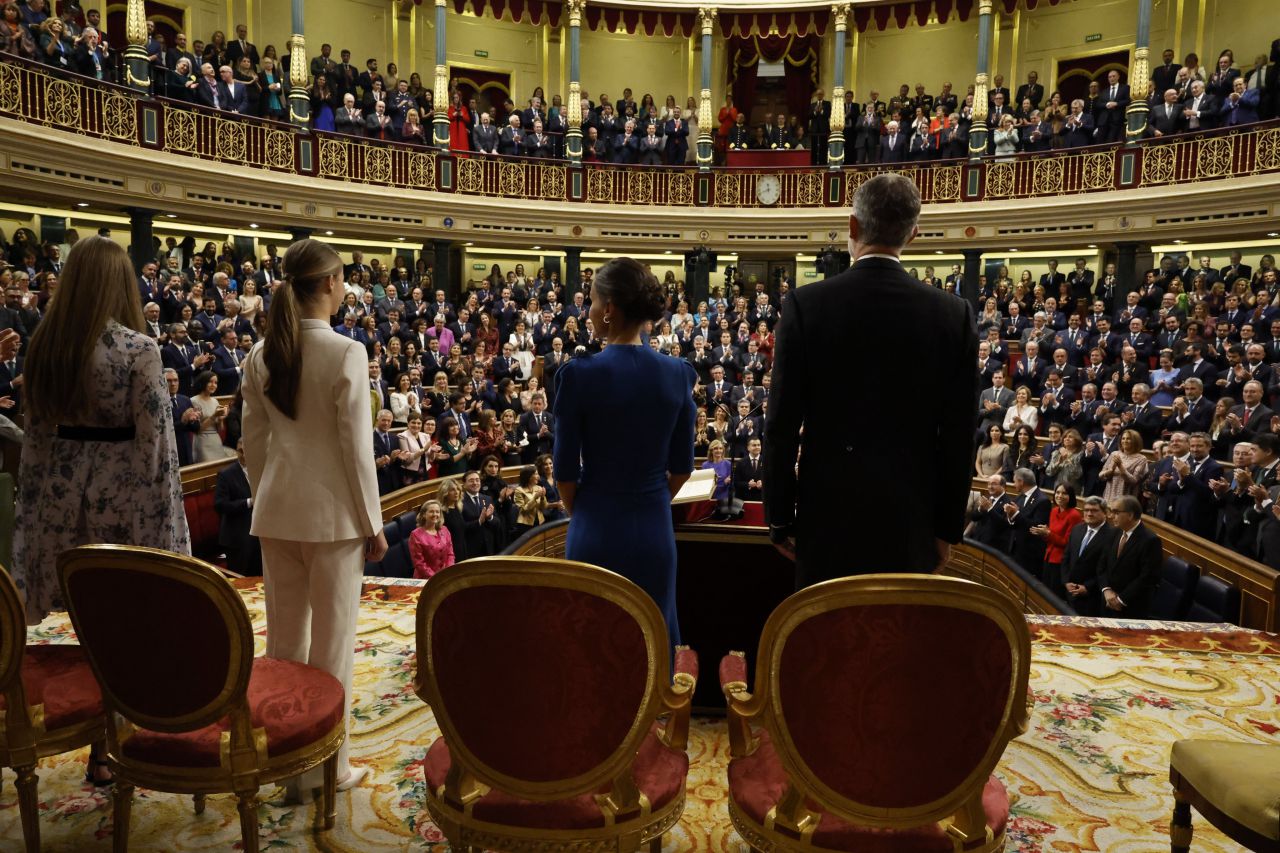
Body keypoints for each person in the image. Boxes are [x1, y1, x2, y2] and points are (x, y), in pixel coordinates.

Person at [765, 174, 976, 587]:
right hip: (910, 520)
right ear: (913, 235)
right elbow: (959, 436)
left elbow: (781, 427)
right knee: (900, 642)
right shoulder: (954, 314)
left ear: (853, 227)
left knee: (825, 641)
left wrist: (779, 518)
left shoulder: (806, 305)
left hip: (825, 516)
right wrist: (946, 529)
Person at [241, 238, 386, 802]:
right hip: (334, 520)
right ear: (329, 283)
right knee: (333, 646)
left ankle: (287, 764)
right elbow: (356, 449)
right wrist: (372, 522)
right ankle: (328, 767)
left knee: (284, 645)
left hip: (276, 511)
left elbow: (252, 445)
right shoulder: (345, 351)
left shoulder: (260, 353)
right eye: (344, 277)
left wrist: (268, 497)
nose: (346, 286)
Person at [553, 257, 697, 649]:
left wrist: (586, 510)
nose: (591, 310)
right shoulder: (677, 373)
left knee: (593, 642)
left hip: (594, 527)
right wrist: (649, 498)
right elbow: (682, 469)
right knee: (651, 640)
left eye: (594, 301)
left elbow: (564, 473)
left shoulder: (579, 374)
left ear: (610, 309)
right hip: (653, 527)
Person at [1097, 494, 1162, 618]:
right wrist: (1106, 590)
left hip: (1130, 607)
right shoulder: (1114, 532)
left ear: (1130, 515)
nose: (1111, 516)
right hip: (1107, 602)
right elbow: (1102, 564)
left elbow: (1148, 577)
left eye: (1116, 512)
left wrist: (1120, 600)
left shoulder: (1150, 540)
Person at [214, 438, 261, 575]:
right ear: (236, 451)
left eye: (248, 451)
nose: (244, 455)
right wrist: (248, 502)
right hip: (237, 536)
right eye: (240, 451)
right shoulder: (226, 475)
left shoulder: (261, 469)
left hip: (258, 532)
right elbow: (220, 505)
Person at [1061, 496, 1115, 615]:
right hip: (1070, 593)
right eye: (1086, 510)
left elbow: (1108, 569)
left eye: (1094, 510)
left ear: (1105, 513)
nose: (1089, 514)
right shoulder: (1077, 529)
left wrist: (1088, 587)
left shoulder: (1112, 536)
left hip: (1092, 598)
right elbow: (1066, 557)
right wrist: (1066, 581)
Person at [1034, 483, 1082, 593]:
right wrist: (1042, 533)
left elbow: (1068, 543)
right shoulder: (1054, 510)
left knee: (1054, 594)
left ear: (1071, 496)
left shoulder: (1074, 515)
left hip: (1060, 562)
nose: (1059, 495)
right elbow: (1050, 535)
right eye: (1058, 492)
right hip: (1048, 557)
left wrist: (1048, 533)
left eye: (1064, 493)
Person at [408, 499, 454, 579]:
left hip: (446, 576)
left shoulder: (444, 530)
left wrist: (448, 572)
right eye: (431, 511)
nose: (435, 514)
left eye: (437, 511)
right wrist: (436, 578)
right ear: (423, 514)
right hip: (426, 579)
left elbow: (450, 554)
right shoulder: (415, 535)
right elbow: (419, 564)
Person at [511, 464, 548, 538]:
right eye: (536, 474)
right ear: (529, 476)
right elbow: (523, 509)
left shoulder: (539, 488)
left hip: (540, 521)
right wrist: (535, 497)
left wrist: (543, 497)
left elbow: (545, 507)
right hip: (526, 525)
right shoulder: (519, 490)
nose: (538, 476)